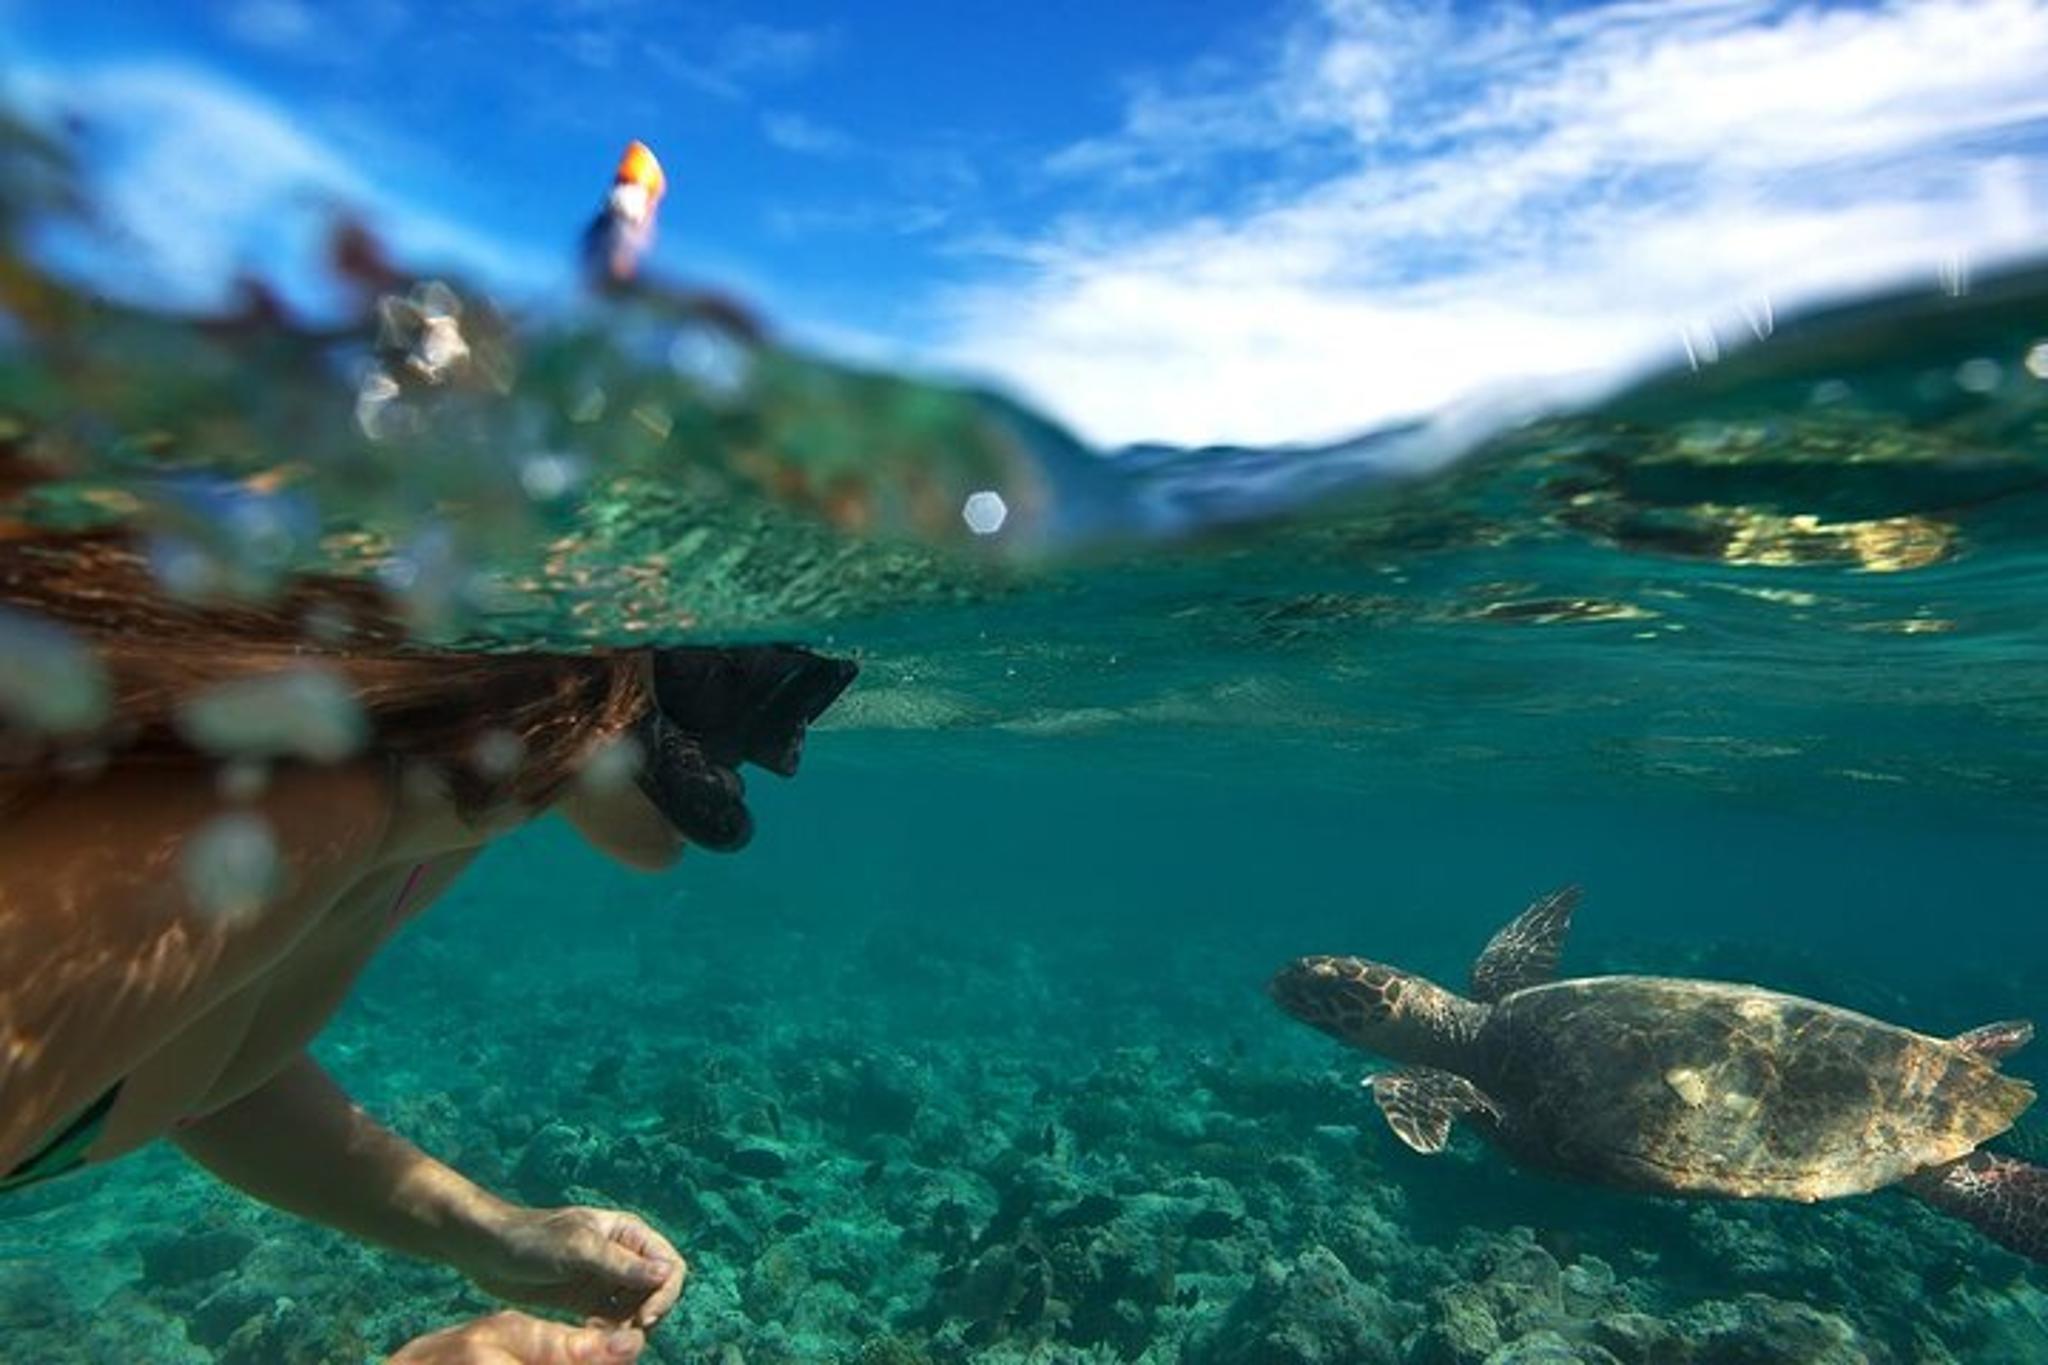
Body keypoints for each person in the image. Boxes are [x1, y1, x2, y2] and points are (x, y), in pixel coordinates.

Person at [0, 524, 856, 1362]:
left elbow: (197, 1073)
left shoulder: (438, 813)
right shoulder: (311, 811)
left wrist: (489, 1234)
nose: (775, 758)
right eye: (744, 683)